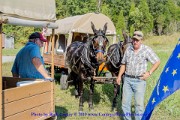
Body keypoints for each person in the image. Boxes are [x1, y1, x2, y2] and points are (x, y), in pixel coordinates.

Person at [116, 31, 160, 120]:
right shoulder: (128, 49)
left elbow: (157, 61)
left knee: (139, 105)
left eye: (137, 40)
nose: (135, 42)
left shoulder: (146, 50)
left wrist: (149, 72)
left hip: (139, 81)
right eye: (134, 39)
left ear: (141, 40)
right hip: (127, 80)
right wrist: (119, 76)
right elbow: (123, 64)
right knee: (125, 104)